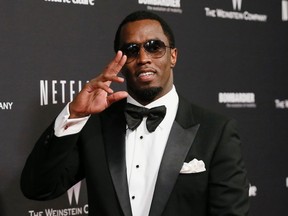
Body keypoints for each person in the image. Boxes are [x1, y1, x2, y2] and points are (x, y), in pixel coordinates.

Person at [21, 10, 250, 216]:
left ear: (173, 56)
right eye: (131, 50)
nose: (143, 58)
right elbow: (38, 188)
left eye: (154, 47)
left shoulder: (216, 131)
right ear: (120, 61)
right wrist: (74, 114)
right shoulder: (95, 125)